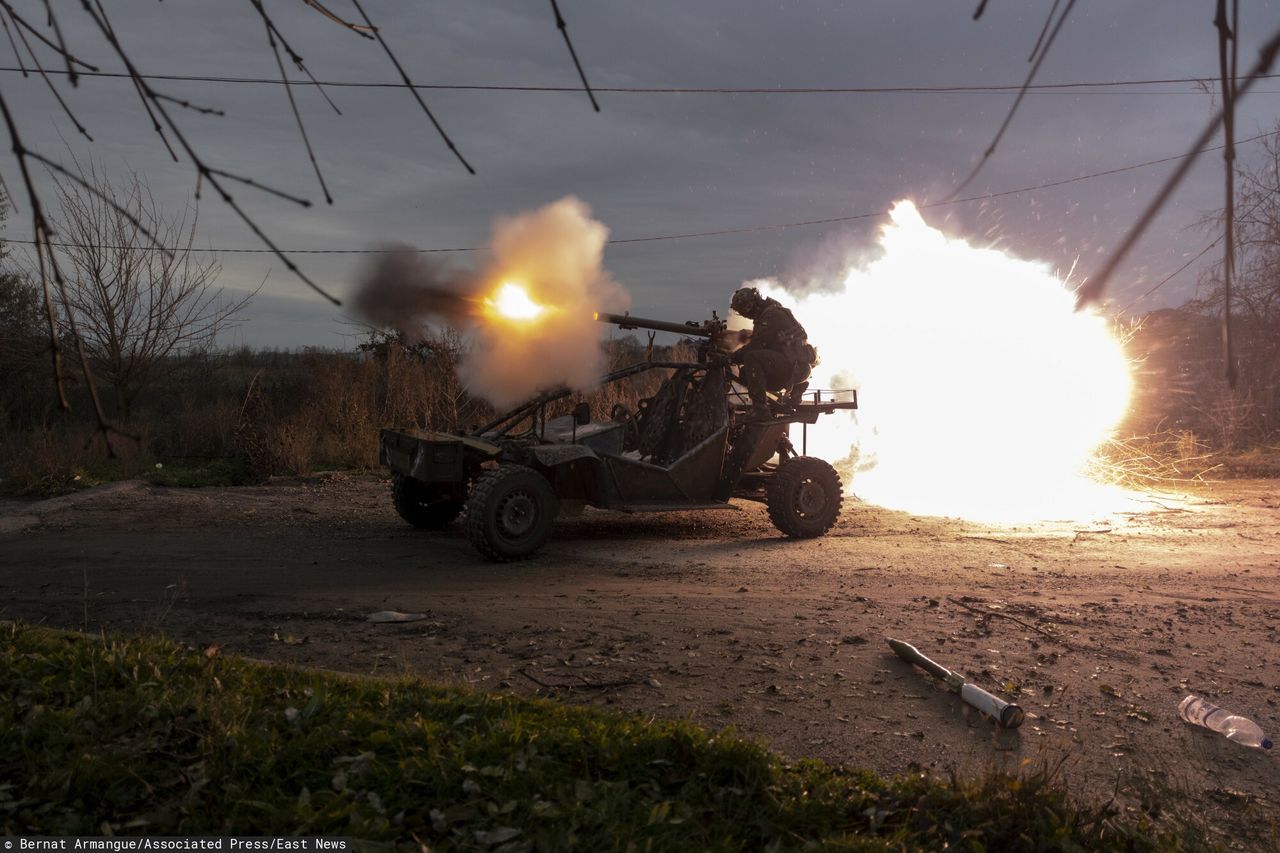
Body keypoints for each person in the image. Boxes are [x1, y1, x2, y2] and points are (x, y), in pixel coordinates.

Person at [728, 287, 816, 420]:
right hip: (797, 367)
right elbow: (766, 342)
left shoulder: (771, 315)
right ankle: (796, 390)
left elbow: (756, 346)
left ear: (753, 303)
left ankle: (760, 410)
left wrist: (730, 358)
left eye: (746, 309)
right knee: (745, 373)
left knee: (751, 358)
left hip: (794, 368)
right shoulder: (771, 312)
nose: (746, 314)